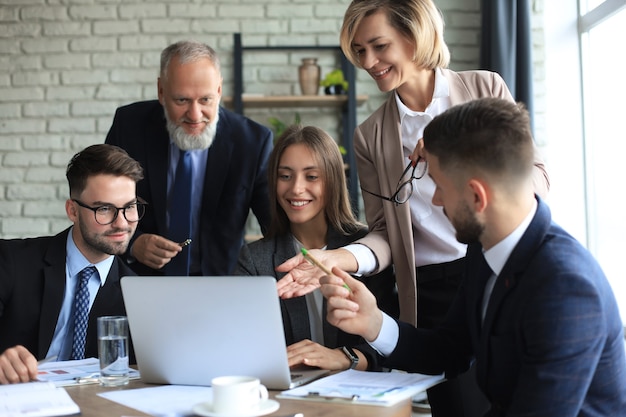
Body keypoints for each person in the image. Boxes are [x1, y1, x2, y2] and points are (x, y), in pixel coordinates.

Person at [275, 1, 550, 415]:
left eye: (378, 45)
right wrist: (340, 259)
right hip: (430, 292)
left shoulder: (483, 88)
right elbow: (385, 233)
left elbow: (537, 178)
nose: (368, 61)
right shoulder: (370, 136)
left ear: (414, 35)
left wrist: (463, 152)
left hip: (497, 270)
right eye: (359, 50)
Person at [320, 97, 626, 416]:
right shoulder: (484, 250)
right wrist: (374, 323)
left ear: (477, 196)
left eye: (439, 186)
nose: (436, 200)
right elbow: (450, 350)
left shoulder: (565, 287)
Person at [234, 125, 398, 372]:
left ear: (332, 181)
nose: (296, 188)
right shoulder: (254, 260)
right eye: (285, 176)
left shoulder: (365, 252)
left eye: (312, 176)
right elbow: (241, 344)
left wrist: (342, 358)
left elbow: (392, 344)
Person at [105, 40, 272, 277]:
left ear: (219, 91)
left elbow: (276, 228)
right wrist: (133, 243)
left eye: (205, 100)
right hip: (139, 281)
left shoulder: (253, 142)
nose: (195, 115)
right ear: (161, 91)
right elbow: (102, 205)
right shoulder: (129, 126)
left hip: (222, 285)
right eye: (182, 100)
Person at [0, 144, 144, 384]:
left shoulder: (138, 294)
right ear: (73, 211)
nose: (122, 223)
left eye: (129, 207)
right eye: (104, 209)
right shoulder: (12, 261)